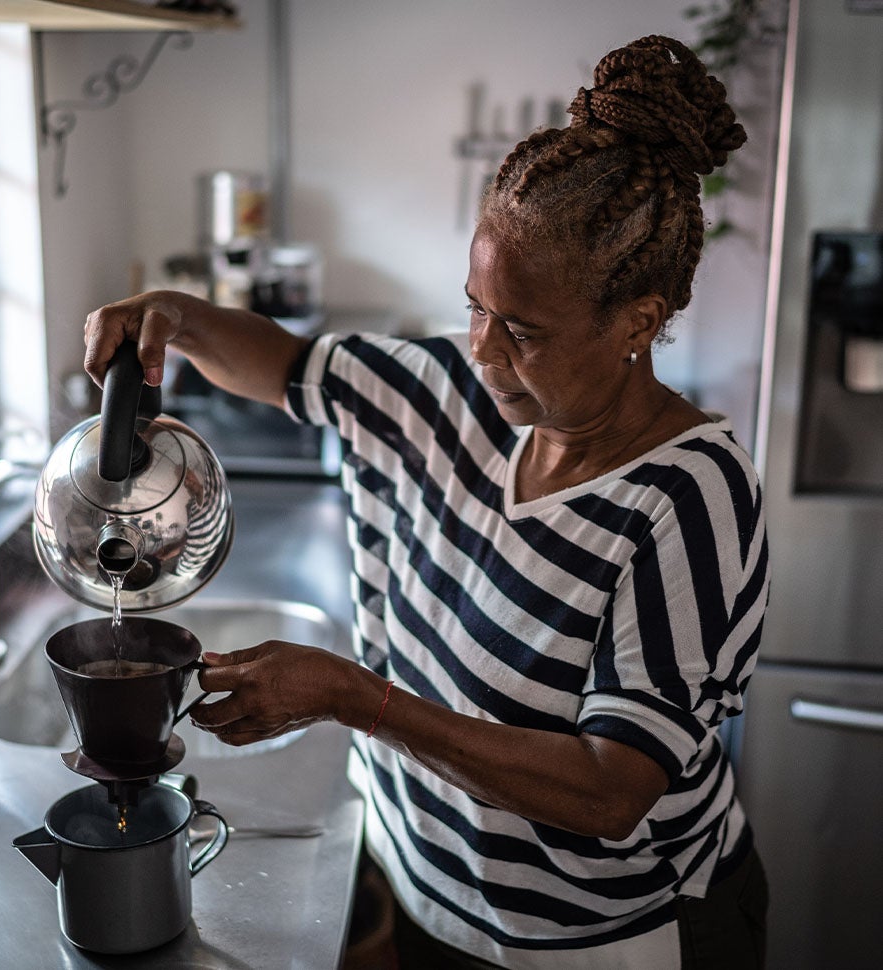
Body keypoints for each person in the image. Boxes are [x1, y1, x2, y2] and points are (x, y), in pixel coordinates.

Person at [83, 34, 769, 970]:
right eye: (475, 306)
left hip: (605, 943)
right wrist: (177, 316)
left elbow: (613, 791)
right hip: (430, 895)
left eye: (520, 329)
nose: (482, 349)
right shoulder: (447, 387)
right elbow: (283, 364)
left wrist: (358, 699)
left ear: (638, 323)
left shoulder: (689, 496)